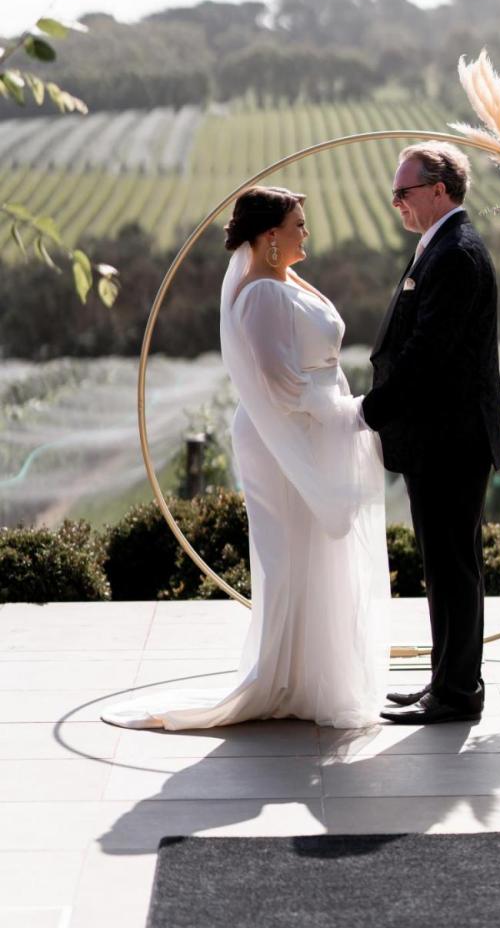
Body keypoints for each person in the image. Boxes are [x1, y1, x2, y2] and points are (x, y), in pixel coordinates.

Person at [100, 186, 390, 732]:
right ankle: (281, 676)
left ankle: (310, 676)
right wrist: (350, 414)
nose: (306, 232)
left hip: (311, 431)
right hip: (284, 438)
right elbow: (280, 384)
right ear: (269, 235)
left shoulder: (282, 282)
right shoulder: (261, 295)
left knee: (316, 553)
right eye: (298, 223)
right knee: (290, 554)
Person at [361, 143, 500, 725]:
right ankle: (446, 681)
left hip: (451, 438)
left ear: (439, 190)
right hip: (440, 437)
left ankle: (458, 691)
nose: (397, 202)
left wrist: (372, 410)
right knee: (443, 565)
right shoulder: (440, 246)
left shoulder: (455, 253)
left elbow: (428, 353)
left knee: (452, 566)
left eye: (404, 192)